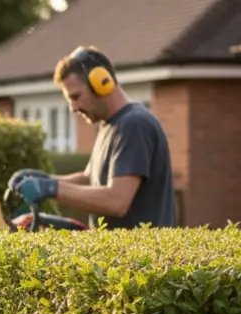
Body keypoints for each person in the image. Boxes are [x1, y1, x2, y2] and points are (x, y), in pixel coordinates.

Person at [10, 45, 176, 229]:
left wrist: (51, 189)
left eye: (76, 96)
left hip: (140, 256)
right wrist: (46, 180)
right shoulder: (110, 125)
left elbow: (117, 201)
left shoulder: (135, 125)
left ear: (102, 83)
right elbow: (89, 178)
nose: (73, 108)